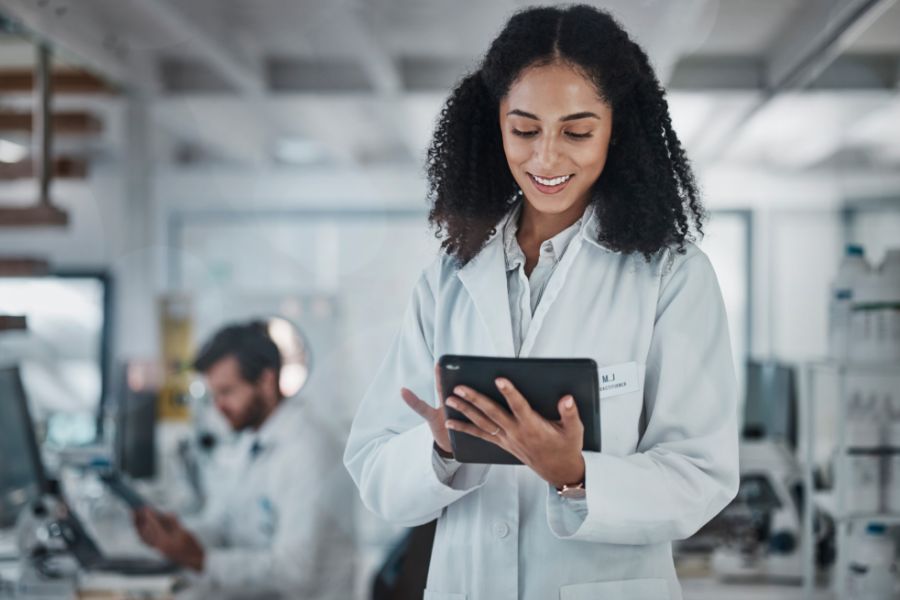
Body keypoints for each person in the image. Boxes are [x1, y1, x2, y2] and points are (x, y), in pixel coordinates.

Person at [344, 5, 739, 599]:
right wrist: (441, 449)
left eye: (577, 132)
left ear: (617, 130)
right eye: (524, 130)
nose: (546, 159)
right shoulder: (448, 280)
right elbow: (374, 469)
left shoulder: (671, 276)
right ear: (494, 124)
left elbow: (702, 475)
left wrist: (577, 475)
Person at [133, 321, 354, 599]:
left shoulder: (309, 450)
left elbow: (294, 574)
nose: (219, 407)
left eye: (227, 392)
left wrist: (200, 559)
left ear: (266, 381)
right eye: (214, 395)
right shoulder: (250, 438)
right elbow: (223, 524)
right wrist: (178, 537)